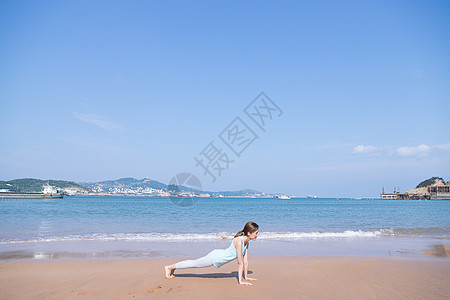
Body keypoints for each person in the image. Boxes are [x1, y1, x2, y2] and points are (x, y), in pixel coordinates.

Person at [164, 222, 259, 285]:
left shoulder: (247, 243)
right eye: (256, 233)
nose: (257, 235)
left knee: (195, 263)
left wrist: (246, 277)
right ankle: (169, 267)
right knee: (194, 263)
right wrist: (240, 281)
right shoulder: (239, 241)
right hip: (215, 257)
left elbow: (245, 261)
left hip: (218, 256)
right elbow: (240, 262)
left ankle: (172, 268)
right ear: (249, 233)